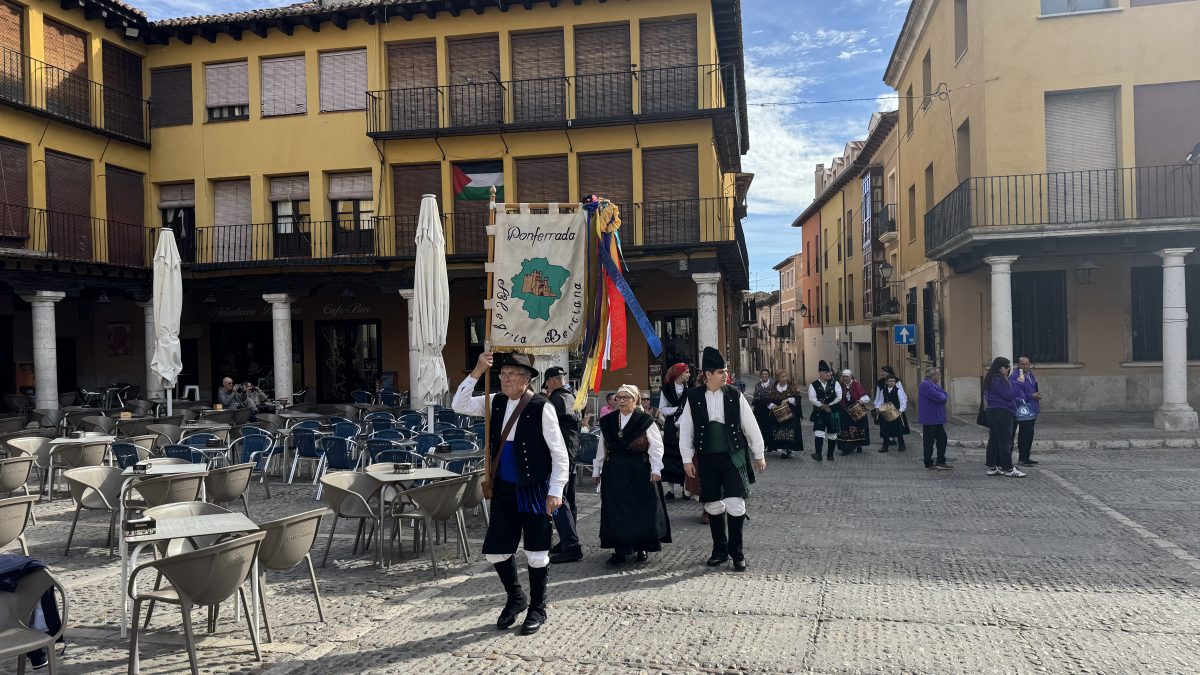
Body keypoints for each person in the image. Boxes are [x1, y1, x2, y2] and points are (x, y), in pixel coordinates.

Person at [452, 352, 570, 635]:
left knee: (536, 553)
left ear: (526, 379)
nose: (505, 378)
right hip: (504, 488)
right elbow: (459, 404)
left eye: (511, 374)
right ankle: (516, 597)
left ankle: (538, 607)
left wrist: (556, 491)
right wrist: (479, 370)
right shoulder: (496, 401)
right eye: (503, 373)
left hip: (534, 489)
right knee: (496, 551)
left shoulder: (542, 406)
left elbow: (559, 452)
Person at [679, 346, 767, 572]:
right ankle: (720, 550)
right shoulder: (693, 396)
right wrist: (687, 458)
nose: (725, 375)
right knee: (713, 505)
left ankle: (737, 552)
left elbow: (750, 424)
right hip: (706, 457)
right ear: (708, 374)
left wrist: (759, 454)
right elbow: (686, 429)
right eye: (720, 371)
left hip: (733, 456)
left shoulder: (734, 394)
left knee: (736, 503)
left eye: (725, 371)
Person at [594, 384, 671, 565]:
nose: (621, 401)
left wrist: (655, 469)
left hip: (639, 469)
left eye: (626, 398)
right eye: (619, 398)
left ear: (635, 399)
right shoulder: (608, 421)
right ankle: (620, 550)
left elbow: (656, 447)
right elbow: (602, 447)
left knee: (640, 510)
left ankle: (641, 547)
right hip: (615, 471)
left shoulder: (645, 420)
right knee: (616, 511)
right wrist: (597, 470)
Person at [543, 366, 583, 565]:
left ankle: (571, 544)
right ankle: (568, 540)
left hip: (561, 454)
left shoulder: (556, 399)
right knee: (570, 499)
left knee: (559, 498)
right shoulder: (572, 396)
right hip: (572, 452)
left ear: (550, 381)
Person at [982, 357, 1025, 478]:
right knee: (1005, 441)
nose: (1008, 369)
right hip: (1002, 412)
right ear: (999, 367)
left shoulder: (993, 378)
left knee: (994, 440)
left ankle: (992, 467)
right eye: (1006, 367)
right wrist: (1019, 383)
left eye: (1009, 367)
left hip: (995, 411)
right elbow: (1008, 395)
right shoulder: (998, 379)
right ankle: (1009, 468)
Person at [657, 362, 692, 500]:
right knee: (670, 456)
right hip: (671, 425)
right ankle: (670, 490)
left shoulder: (690, 389)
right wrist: (676, 410)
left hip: (686, 424)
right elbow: (662, 408)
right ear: (679, 374)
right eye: (686, 372)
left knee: (684, 455)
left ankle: (685, 488)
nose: (689, 375)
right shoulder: (666, 390)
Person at [763, 370, 805, 457]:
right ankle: (783, 449)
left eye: (785, 376)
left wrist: (788, 400)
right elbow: (768, 400)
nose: (784, 378)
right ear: (778, 378)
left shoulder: (792, 387)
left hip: (790, 414)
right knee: (779, 431)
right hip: (778, 415)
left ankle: (786, 449)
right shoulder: (773, 388)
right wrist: (773, 405)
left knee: (789, 431)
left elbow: (797, 398)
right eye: (782, 377)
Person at [807, 360, 842, 462]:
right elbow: (812, 398)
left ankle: (830, 455)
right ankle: (818, 454)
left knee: (832, 434)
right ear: (821, 373)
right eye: (826, 372)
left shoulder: (835, 383)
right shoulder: (813, 385)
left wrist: (829, 405)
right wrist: (822, 406)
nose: (829, 374)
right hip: (819, 413)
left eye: (830, 372)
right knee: (819, 433)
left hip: (833, 411)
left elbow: (839, 397)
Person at [918, 367, 952, 470]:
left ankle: (941, 461)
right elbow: (941, 397)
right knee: (929, 442)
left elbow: (944, 394)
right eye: (938, 374)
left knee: (942, 439)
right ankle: (928, 463)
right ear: (932, 376)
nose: (939, 376)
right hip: (930, 418)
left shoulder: (935, 385)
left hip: (937, 418)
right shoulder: (925, 385)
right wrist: (943, 396)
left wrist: (943, 396)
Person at [1011, 356, 1041, 467]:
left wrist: (1036, 396)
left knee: (1029, 433)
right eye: (1022, 364)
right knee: (1024, 434)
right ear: (1018, 365)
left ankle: (1026, 456)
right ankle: (1022, 458)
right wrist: (1031, 396)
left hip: (1032, 407)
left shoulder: (1030, 374)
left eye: (1027, 364)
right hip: (1023, 409)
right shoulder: (1015, 376)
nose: (1025, 366)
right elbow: (1017, 393)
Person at [836, 370, 872, 454]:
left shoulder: (856, 385)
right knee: (845, 429)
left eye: (846, 377)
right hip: (844, 411)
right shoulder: (840, 386)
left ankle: (858, 445)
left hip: (856, 410)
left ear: (851, 377)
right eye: (843, 377)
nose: (845, 378)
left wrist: (861, 401)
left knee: (858, 428)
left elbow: (866, 397)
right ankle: (846, 449)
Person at [873, 373, 910, 452]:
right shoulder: (884, 390)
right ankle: (885, 446)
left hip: (896, 412)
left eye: (893, 381)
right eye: (890, 381)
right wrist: (878, 407)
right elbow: (881, 400)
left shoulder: (898, 391)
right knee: (885, 430)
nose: (892, 383)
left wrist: (901, 410)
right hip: (886, 413)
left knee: (898, 429)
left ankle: (901, 445)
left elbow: (902, 401)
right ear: (886, 382)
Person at [751, 370, 775, 452]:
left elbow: (774, 396)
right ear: (761, 375)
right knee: (760, 426)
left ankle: (770, 445)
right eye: (763, 374)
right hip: (759, 409)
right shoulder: (757, 385)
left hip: (769, 408)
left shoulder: (772, 385)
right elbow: (755, 396)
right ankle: (763, 444)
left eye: (766, 374)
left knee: (769, 427)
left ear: (768, 375)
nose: (764, 375)